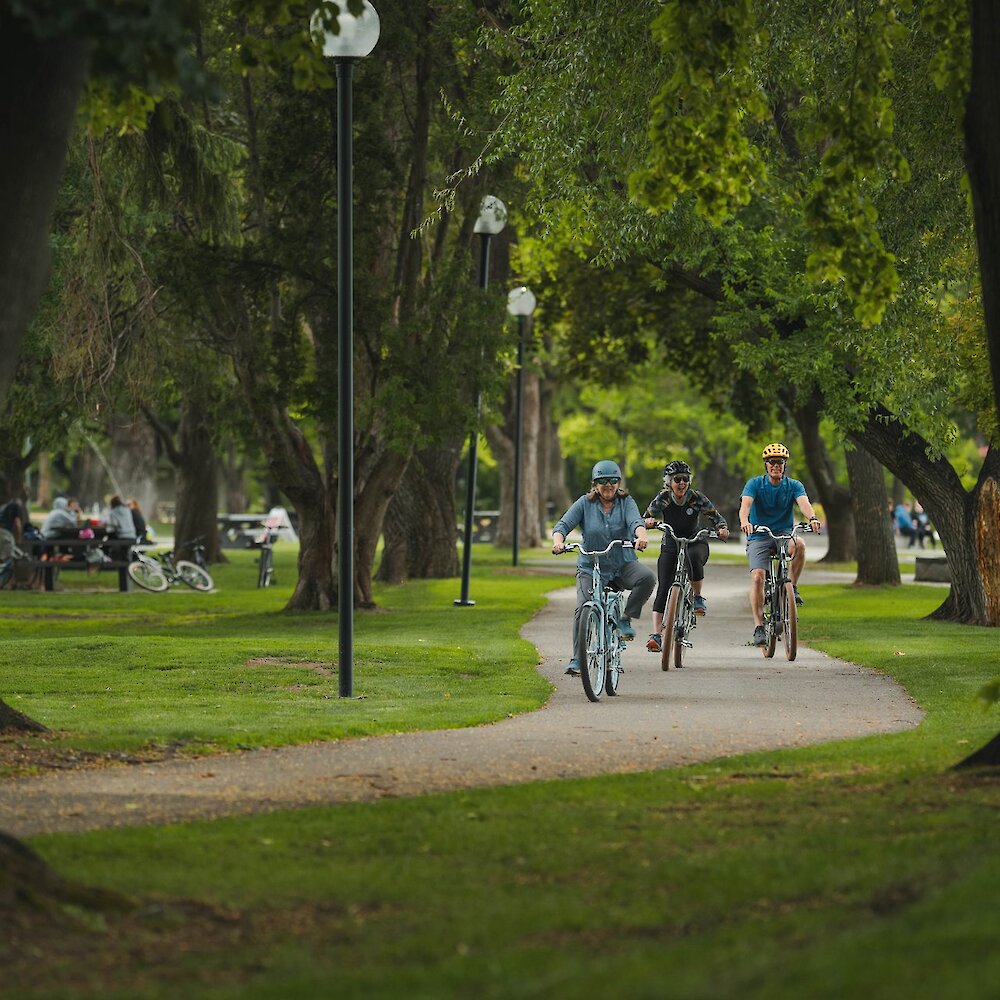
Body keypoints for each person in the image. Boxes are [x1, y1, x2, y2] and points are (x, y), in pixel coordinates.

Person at [551, 460, 655, 676]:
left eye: (613, 480)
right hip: (590, 566)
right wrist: (558, 542)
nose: (608, 485)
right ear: (594, 484)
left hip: (622, 564)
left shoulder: (626, 503)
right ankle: (578, 659)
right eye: (602, 481)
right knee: (583, 607)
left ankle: (625, 619)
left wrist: (641, 536)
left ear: (618, 482)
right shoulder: (583, 504)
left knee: (646, 578)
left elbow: (636, 522)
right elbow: (562, 526)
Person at [738, 443, 822, 648]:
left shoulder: (794, 485)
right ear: (766, 465)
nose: (776, 465)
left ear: (785, 465)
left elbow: (804, 503)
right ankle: (759, 626)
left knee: (800, 544)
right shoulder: (755, 484)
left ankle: (791, 587)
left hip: (784, 534)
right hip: (759, 535)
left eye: (780, 462)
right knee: (758, 577)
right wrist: (745, 522)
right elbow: (745, 505)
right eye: (772, 462)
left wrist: (812, 517)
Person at [642, 460, 730, 653]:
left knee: (694, 558)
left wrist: (721, 528)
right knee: (663, 586)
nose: (682, 483)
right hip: (671, 542)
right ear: (668, 482)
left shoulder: (696, 497)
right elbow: (647, 516)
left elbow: (716, 517)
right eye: (677, 479)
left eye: (685, 479)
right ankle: (656, 635)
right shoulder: (663, 498)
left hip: (694, 540)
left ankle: (698, 597)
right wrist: (648, 521)